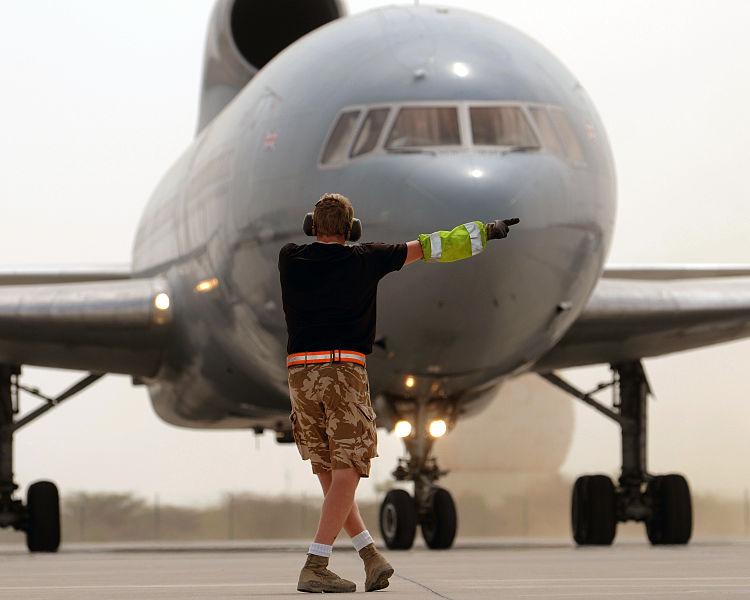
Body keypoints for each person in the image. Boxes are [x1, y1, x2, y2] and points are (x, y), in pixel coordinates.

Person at [278, 193, 516, 593]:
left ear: (311, 225)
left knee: (331, 474)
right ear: (352, 230)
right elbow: (431, 246)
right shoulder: (366, 257)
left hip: (300, 375)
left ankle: (371, 557)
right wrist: (484, 233)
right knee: (349, 469)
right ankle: (316, 563)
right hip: (342, 371)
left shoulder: (289, 257)